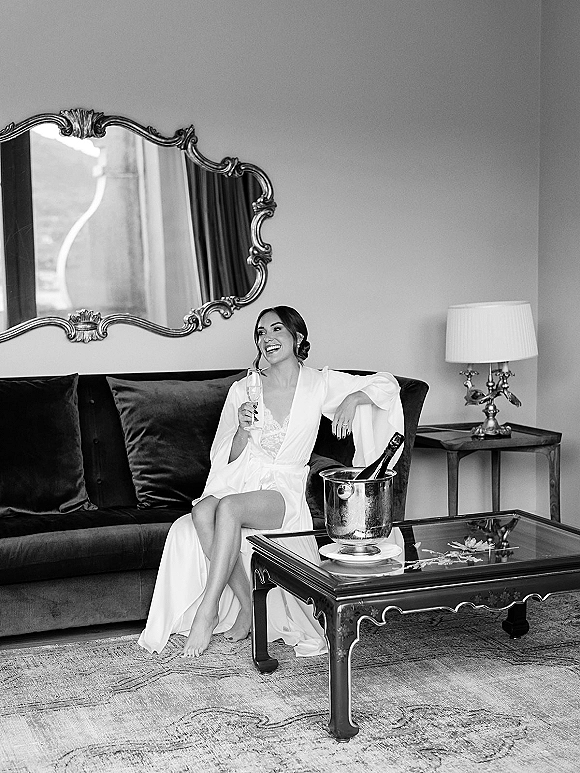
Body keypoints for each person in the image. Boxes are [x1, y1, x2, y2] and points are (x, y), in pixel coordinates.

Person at [138, 306, 404, 658]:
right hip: (244, 478)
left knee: (229, 509)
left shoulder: (319, 383)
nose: (266, 338)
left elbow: (388, 384)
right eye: (260, 333)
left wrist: (354, 398)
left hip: (284, 490)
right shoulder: (245, 388)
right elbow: (224, 457)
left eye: (275, 329)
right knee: (203, 511)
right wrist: (242, 429)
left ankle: (208, 609)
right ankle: (250, 606)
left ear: (298, 338)